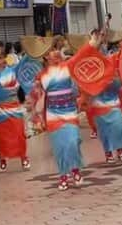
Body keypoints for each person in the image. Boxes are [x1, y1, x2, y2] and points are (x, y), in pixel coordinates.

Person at [34, 44, 84, 191]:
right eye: (51, 51)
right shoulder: (42, 75)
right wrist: (39, 117)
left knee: (72, 142)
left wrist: (94, 41)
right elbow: (41, 97)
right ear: (46, 57)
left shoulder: (68, 67)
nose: (54, 53)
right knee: (59, 147)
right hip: (53, 115)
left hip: (69, 113)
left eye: (56, 50)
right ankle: (64, 176)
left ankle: (75, 170)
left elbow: (82, 55)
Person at [0, 48, 30, 173]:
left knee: (19, 135)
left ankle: (24, 158)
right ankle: (3, 159)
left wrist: (32, 49)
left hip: (15, 107)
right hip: (0, 109)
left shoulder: (13, 70)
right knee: (2, 138)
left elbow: (25, 61)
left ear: (5, 58)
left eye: (0, 58)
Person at [86, 29, 122, 163]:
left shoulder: (111, 60)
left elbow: (119, 82)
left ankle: (120, 148)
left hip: (113, 101)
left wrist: (115, 80)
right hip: (98, 104)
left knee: (119, 126)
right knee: (104, 130)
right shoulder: (87, 64)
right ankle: (108, 152)